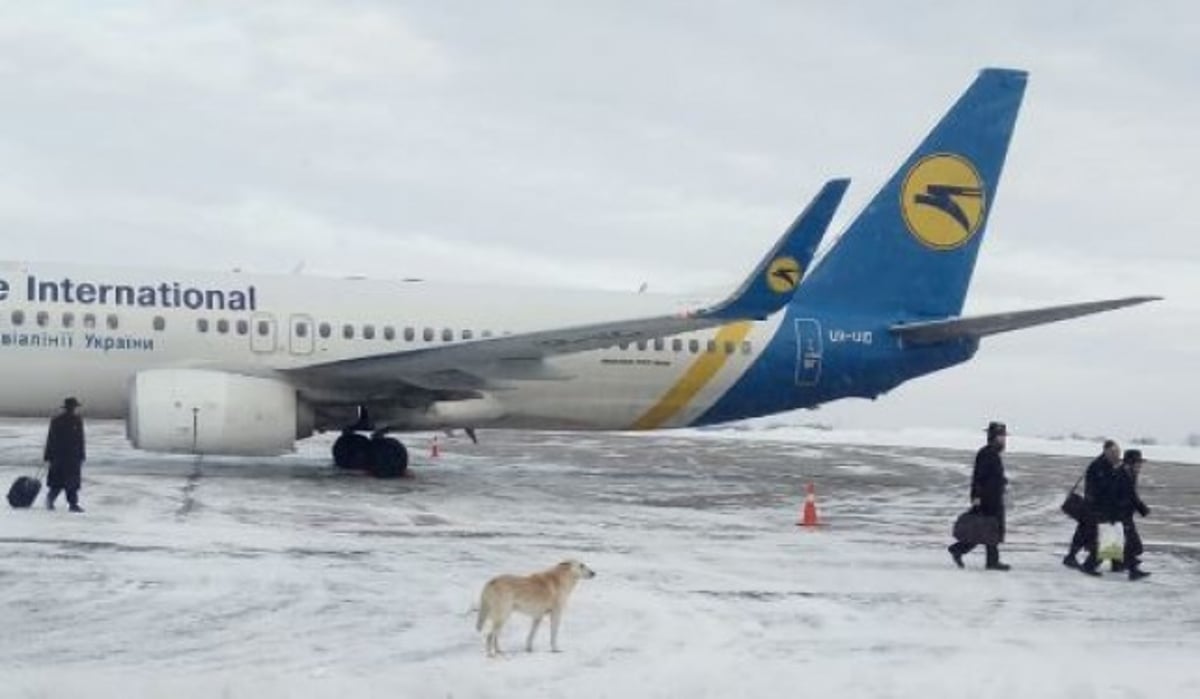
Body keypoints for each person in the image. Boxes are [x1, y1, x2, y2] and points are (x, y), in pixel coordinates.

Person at [948, 421, 1011, 571]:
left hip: (994, 497)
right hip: (987, 498)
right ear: (993, 436)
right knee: (984, 529)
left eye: (1003, 436)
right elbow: (978, 477)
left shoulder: (993, 453)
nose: (1003, 439)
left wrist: (1002, 481)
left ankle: (990, 561)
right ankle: (960, 550)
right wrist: (976, 497)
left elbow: (992, 476)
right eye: (1000, 436)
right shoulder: (986, 453)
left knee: (989, 530)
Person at [1063, 440, 1120, 575]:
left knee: (1086, 533)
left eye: (1118, 452)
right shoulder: (1099, 466)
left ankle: (1073, 558)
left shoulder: (1108, 465)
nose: (1116, 455)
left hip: (1097, 508)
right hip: (1094, 508)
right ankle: (1089, 565)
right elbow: (1102, 487)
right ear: (1105, 451)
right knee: (1099, 535)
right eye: (1114, 452)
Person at [1113, 449, 1151, 580]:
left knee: (1121, 542)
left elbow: (1131, 495)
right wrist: (1142, 509)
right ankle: (1133, 571)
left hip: (1122, 514)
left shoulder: (1128, 472)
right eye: (1138, 463)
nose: (1140, 466)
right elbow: (1130, 495)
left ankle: (1117, 564)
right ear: (1131, 463)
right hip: (1118, 514)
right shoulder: (1122, 475)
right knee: (1133, 544)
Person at [44, 396, 86, 513]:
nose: (73, 409)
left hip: (60, 457)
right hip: (70, 457)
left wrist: (48, 455)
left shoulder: (57, 420)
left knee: (58, 482)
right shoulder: (76, 420)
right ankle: (71, 505)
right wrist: (82, 455)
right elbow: (80, 440)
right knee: (70, 483)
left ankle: (53, 502)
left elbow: (50, 439)